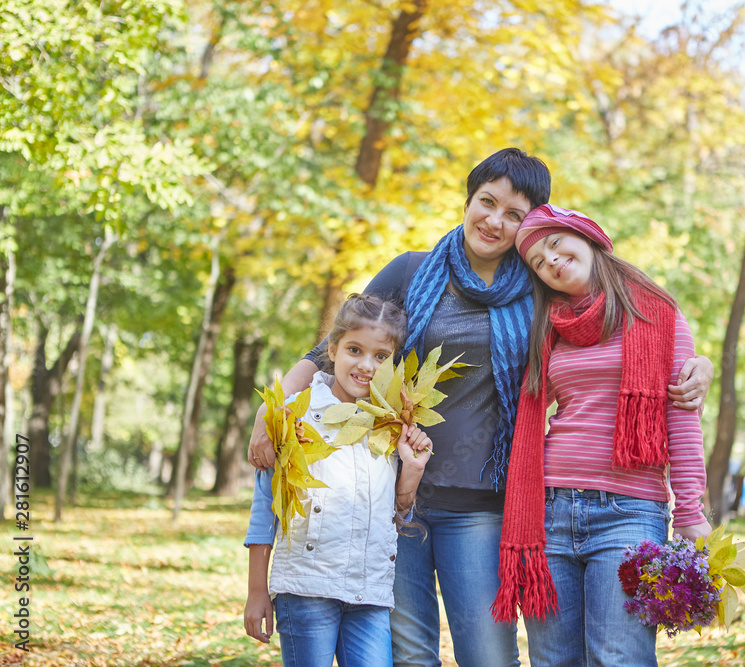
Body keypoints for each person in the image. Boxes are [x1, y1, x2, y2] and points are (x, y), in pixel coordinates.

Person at [248, 148, 714, 667]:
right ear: (468, 200)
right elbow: (333, 349)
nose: (494, 220)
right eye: (486, 202)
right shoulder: (411, 272)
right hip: (395, 494)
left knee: (488, 658)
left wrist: (697, 363)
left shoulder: (539, 290)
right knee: (409, 656)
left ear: (529, 224)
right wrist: (273, 411)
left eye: (513, 214)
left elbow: (610, 330)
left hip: (484, 506)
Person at [493, 204, 714, 667]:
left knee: (620, 658)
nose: (550, 260)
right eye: (538, 262)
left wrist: (691, 511)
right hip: (549, 512)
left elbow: (682, 419)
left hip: (629, 513)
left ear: (587, 236)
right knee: (554, 661)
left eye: (554, 244)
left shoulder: (657, 313)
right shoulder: (547, 325)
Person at [244, 294, 433, 667]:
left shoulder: (392, 425)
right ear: (331, 348)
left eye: (381, 356)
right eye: (354, 349)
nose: (366, 365)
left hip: (370, 594)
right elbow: (265, 507)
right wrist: (256, 591)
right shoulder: (295, 413)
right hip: (306, 589)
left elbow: (395, 512)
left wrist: (412, 471)